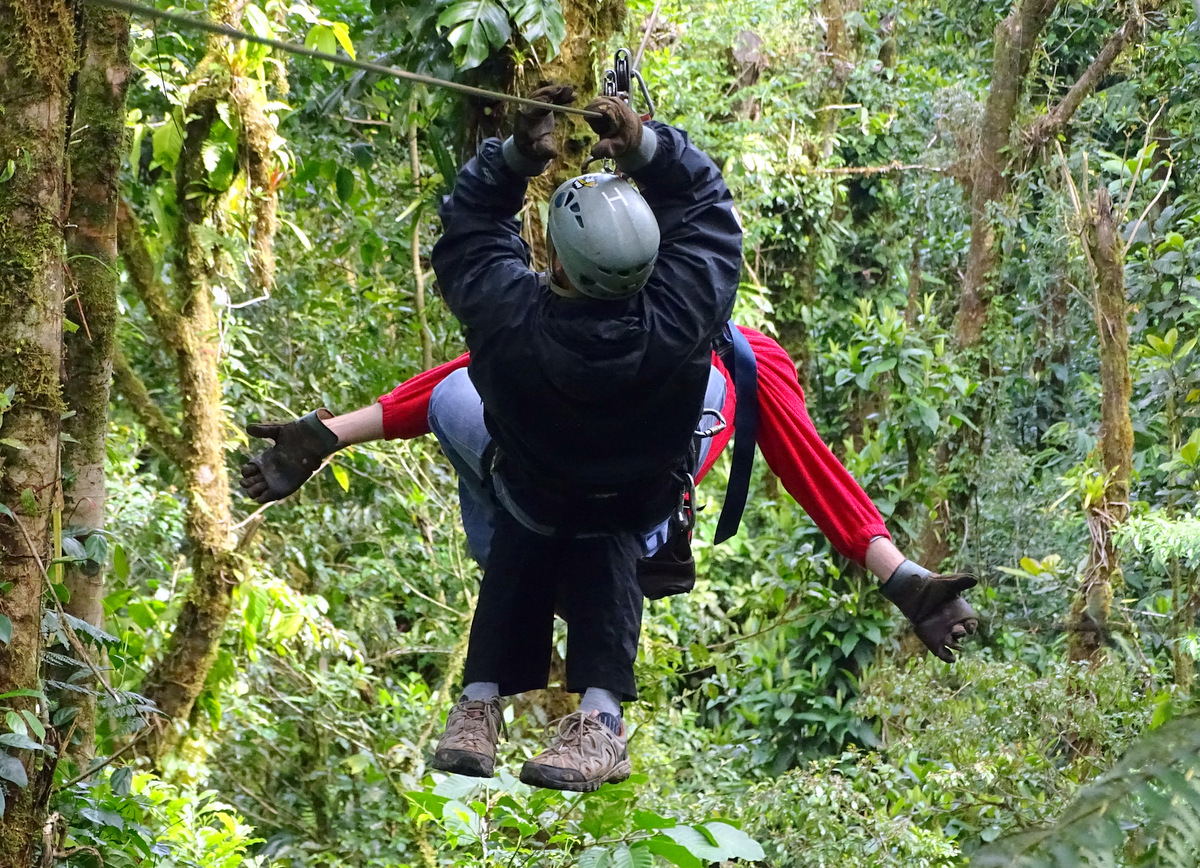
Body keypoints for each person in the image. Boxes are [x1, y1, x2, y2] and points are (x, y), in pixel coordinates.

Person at [240, 88, 979, 792]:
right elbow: (712, 225)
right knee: (629, 477)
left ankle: (481, 702)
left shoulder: (509, 324)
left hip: (537, 498)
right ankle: (599, 720)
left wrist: (515, 159)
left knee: (480, 418)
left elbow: (467, 266)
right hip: (640, 497)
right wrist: (650, 147)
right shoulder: (699, 322)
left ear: (556, 260)